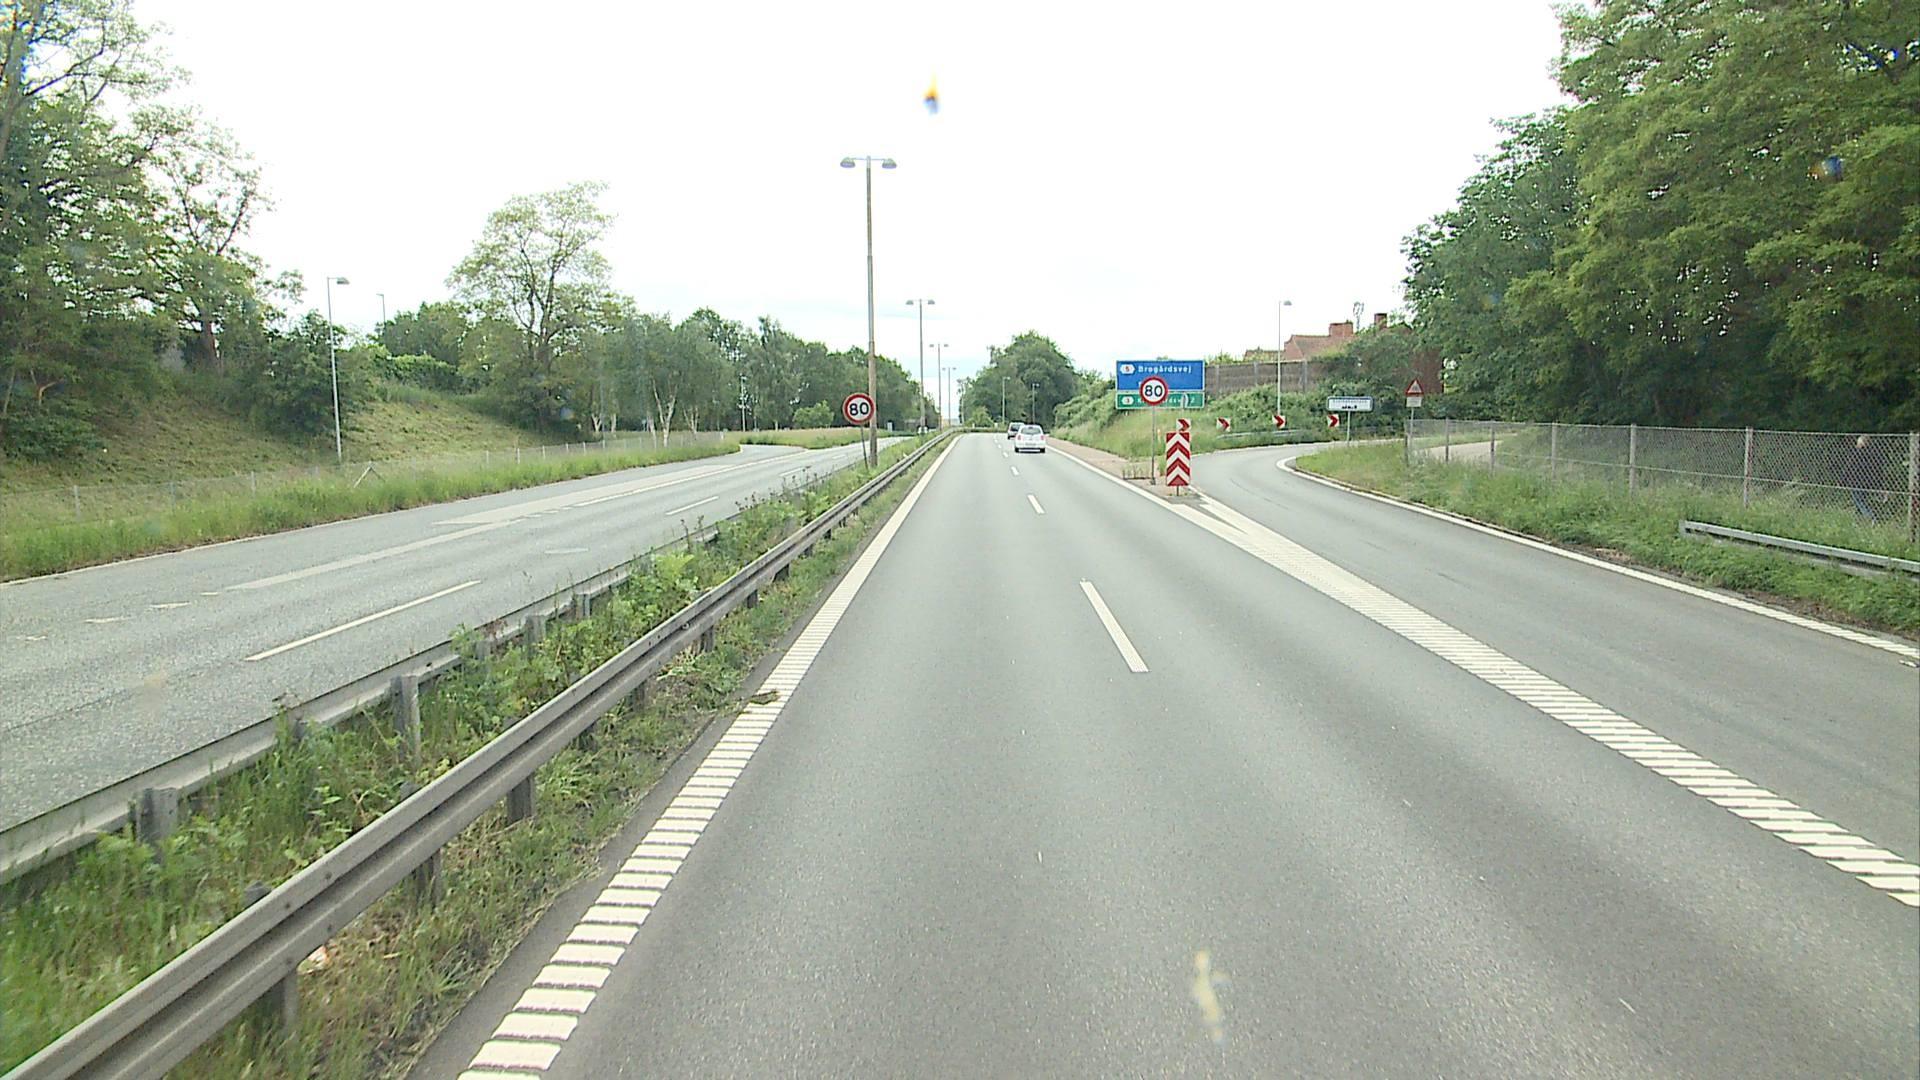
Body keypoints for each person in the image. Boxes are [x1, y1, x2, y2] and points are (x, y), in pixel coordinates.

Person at [1841, 434, 1880, 520]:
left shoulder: (1856, 454)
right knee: (1860, 500)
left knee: (1859, 500)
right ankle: (1858, 518)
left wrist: (1843, 479)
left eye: (1858, 443)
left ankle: (1871, 517)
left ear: (1862, 444)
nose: (1857, 445)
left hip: (1856, 481)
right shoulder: (1873, 455)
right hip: (1868, 482)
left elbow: (1849, 467)